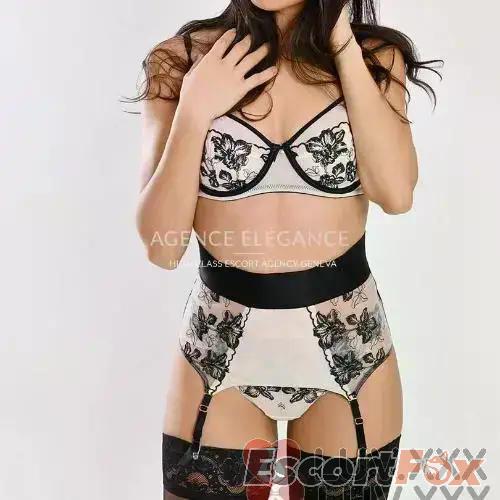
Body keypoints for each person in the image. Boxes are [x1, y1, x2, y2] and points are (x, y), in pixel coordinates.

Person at [132, 1, 440, 498]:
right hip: (217, 353)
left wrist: (342, 46)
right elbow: (160, 247)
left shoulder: (375, 58)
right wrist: (193, 110)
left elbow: (395, 193)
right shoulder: (180, 62)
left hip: (349, 353)